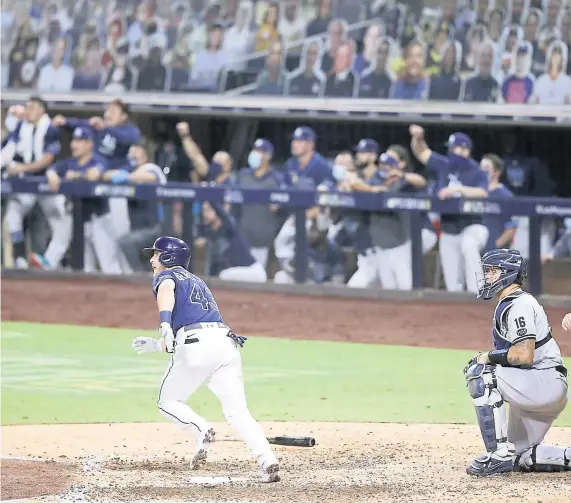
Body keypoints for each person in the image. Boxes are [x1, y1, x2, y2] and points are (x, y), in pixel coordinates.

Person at [133, 236, 279, 482]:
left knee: (168, 400)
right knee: (238, 412)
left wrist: (165, 324)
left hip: (197, 345)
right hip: (225, 343)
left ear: (168, 258)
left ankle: (201, 429)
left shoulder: (166, 277)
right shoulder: (198, 280)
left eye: (156, 254)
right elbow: (199, 327)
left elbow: (167, 292)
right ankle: (267, 460)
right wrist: (160, 345)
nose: (152, 259)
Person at [464, 248, 569, 476]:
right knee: (520, 457)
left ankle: (497, 456)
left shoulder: (519, 304)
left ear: (507, 273)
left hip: (544, 382)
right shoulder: (510, 302)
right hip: (541, 385)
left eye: (492, 271)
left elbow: (524, 355)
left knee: (481, 373)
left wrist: (488, 356)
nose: (488, 276)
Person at [409, 125, 489, 293]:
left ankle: (479, 291)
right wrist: (418, 138)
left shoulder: (476, 170)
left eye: (456, 148)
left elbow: (482, 192)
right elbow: (421, 153)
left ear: (466, 150)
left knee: (469, 246)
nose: (453, 152)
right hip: (449, 228)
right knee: (452, 285)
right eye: (451, 148)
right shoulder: (444, 164)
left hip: (472, 225)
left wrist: (458, 189)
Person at [1, 96, 68, 270]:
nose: (27, 110)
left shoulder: (50, 128)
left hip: (48, 180)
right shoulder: (21, 126)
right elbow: (9, 149)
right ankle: (21, 258)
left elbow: (47, 159)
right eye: (27, 107)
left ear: (41, 110)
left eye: (32, 107)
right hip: (26, 183)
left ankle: (53, 262)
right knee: (12, 216)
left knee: (61, 222)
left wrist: (22, 167)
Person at [45, 126, 119, 274]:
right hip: (79, 221)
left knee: (109, 266)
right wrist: (52, 174)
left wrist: (77, 175)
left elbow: (94, 174)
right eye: (74, 140)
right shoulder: (70, 162)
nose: (75, 144)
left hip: (99, 219)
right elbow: (52, 168)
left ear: (90, 143)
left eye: (80, 140)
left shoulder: (99, 159)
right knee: (85, 269)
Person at [103, 143, 167, 273]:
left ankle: (140, 276)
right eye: (131, 154)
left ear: (145, 156)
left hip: (157, 227)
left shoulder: (151, 168)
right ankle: (145, 277)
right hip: (140, 229)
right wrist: (120, 174)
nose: (133, 156)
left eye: (137, 154)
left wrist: (125, 176)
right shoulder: (129, 171)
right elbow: (106, 175)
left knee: (126, 242)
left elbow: (148, 177)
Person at [230, 139, 285, 269]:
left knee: (257, 280)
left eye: (260, 151)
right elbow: (232, 204)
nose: (255, 154)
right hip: (241, 239)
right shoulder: (241, 176)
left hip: (261, 241)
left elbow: (283, 209)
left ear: (268, 156)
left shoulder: (276, 179)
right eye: (254, 150)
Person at [201, 202, 268, 282]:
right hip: (238, 272)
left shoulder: (230, 227)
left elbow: (223, 214)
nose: (205, 214)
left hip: (253, 271)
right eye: (204, 210)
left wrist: (208, 194)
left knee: (223, 276)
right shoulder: (212, 234)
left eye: (208, 210)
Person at [480, 154, 518, 253]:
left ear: (497, 172)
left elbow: (511, 227)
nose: (482, 170)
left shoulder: (505, 195)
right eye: (481, 167)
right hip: (476, 248)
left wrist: (494, 247)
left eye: (486, 168)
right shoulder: (474, 192)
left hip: (495, 253)